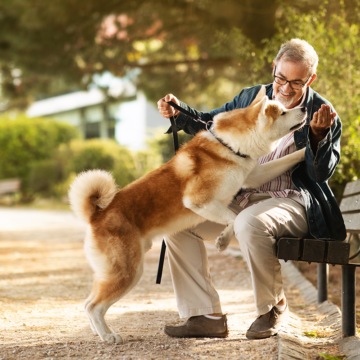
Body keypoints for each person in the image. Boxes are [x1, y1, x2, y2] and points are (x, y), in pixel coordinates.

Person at [157, 39, 346, 339]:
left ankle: (273, 307)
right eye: (281, 78)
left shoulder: (322, 113)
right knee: (178, 219)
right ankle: (205, 314)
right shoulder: (252, 97)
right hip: (243, 195)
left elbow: (321, 174)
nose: (285, 88)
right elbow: (211, 123)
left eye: (296, 83)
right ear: (274, 68)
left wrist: (317, 136)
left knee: (249, 222)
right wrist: (178, 112)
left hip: (292, 201)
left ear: (310, 79)